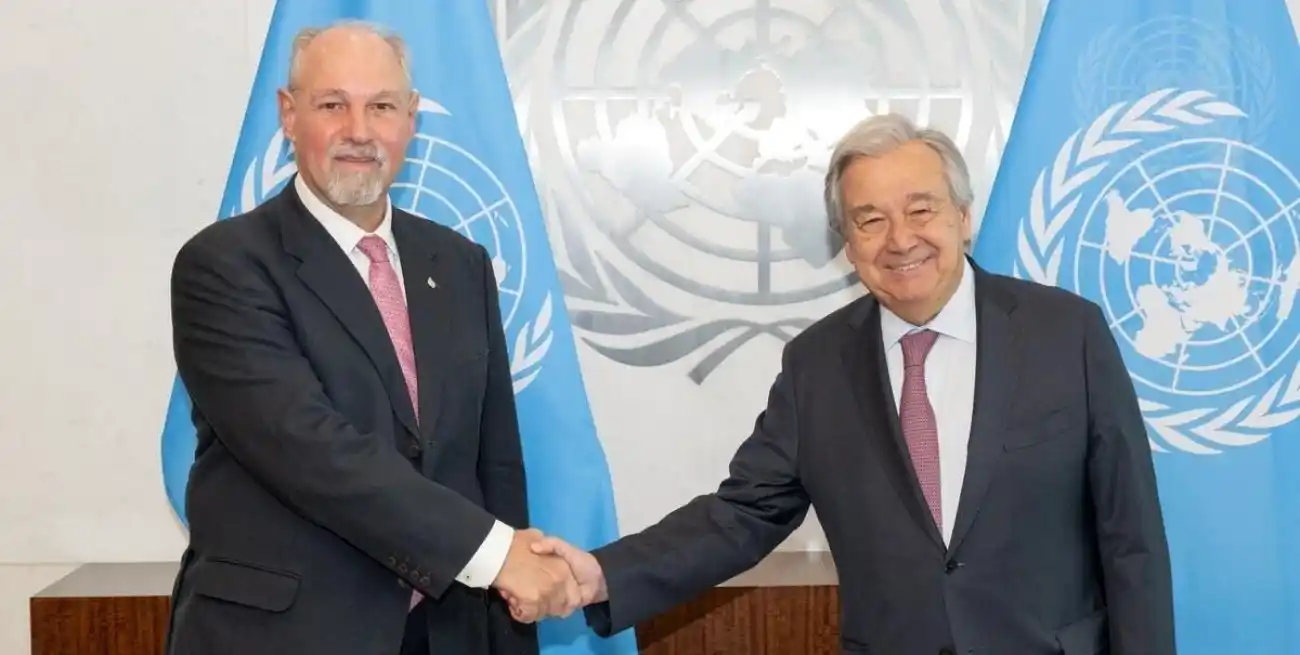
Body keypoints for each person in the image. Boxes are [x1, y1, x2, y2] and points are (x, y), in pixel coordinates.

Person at [517, 113, 1177, 654]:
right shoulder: (817, 365)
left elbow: (1133, 539)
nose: (900, 239)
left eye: (921, 209)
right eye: (870, 219)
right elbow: (740, 516)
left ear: (963, 216)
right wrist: (603, 573)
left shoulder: (1068, 333)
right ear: (846, 241)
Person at [164, 21, 579, 655]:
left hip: (446, 634)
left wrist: (509, 612)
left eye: (381, 106)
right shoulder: (224, 266)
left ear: (411, 119)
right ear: (288, 114)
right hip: (286, 637)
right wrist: (496, 555)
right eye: (333, 105)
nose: (359, 131)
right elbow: (310, 450)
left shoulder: (460, 264)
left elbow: (494, 468)